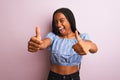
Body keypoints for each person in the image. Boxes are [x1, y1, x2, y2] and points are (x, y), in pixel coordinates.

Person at [28, 8, 98, 80]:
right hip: (54, 77)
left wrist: (88, 45)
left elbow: (94, 48)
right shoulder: (53, 36)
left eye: (62, 20)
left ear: (70, 20)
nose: (58, 25)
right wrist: (38, 44)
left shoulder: (81, 37)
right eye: (56, 22)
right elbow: (45, 43)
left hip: (73, 77)